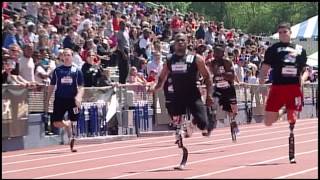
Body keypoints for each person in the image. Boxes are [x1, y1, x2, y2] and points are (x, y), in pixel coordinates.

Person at [259, 22, 309, 163]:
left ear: (290, 32)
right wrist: (261, 83)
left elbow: (305, 70)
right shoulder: (273, 49)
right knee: (268, 122)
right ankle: (283, 110)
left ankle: (288, 110)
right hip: (277, 87)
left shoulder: (300, 49)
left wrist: (303, 80)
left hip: (293, 88)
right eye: (279, 32)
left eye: (284, 32)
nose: (282, 34)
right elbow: (264, 68)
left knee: (292, 119)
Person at [150, 32, 214, 137]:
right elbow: (162, 77)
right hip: (177, 95)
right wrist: (155, 87)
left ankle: (192, 125)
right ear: (174, 43)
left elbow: (207, 77)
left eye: (183, 40)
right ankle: (179, 126)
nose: (180, 42)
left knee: (203, 124)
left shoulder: (196, 58)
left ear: (187, 42)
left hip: (193, 94)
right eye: (178, 40)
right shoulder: (170, 60)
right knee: (173, 112)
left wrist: (209, 95)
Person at [47, 48, 84, 152]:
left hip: (72, 100)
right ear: (62, 57)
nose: (66, 57)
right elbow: (52, 85)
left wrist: (78, 97)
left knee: (74, 121)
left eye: (68, 55)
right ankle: (66, 124)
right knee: (55, 123)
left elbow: (81, 86)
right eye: (65, 55)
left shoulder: (76, 71)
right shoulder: (58, 71)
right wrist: (48, 98)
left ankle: (72, 141)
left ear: (72, 57)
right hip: (59, 99)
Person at [207, 44, 240, 137]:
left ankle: (233, 121)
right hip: (218, 88)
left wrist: (222, 74)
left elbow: (232, 76)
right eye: (215, 52)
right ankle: (211, 120)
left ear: (222, 53)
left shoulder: (227, 62)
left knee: (232, 110)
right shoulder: (211, 63)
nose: (216, 55)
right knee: (213, 102)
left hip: (228, 89)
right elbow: (207, 73)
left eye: (218, 52)